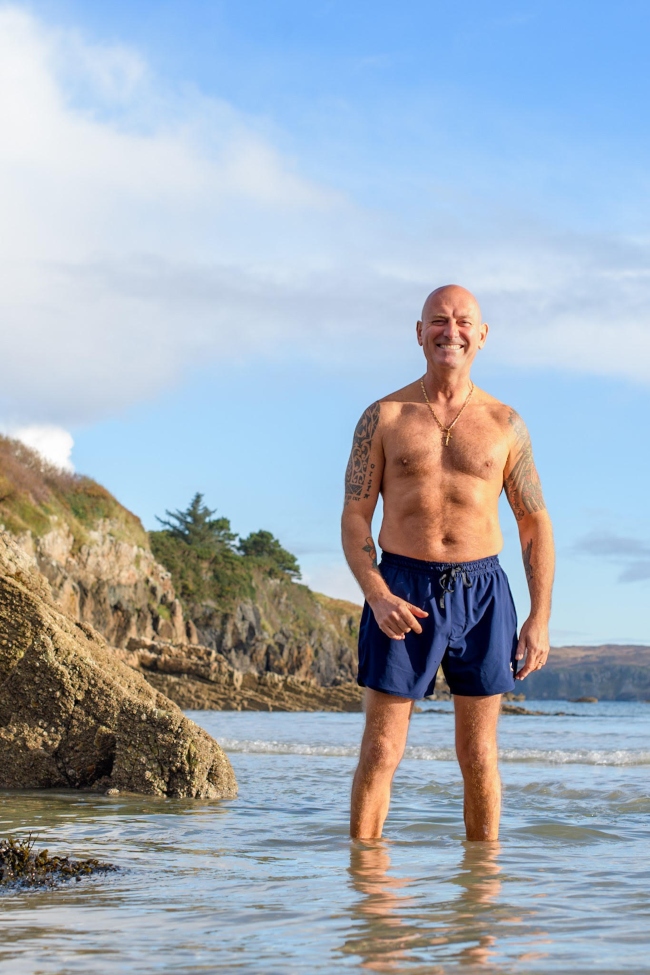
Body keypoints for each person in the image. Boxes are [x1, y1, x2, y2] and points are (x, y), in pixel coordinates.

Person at [341, 284, 554, 842]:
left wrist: (539, 617)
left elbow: (533, 523)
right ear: (419, 332)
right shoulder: (384, 417)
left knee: (479, 754)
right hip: (403, 585)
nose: (450, 331)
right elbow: (355, 517)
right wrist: (377, 593)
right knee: (382, 748)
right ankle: (367, 896)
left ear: (482, 337)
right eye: (438, 320)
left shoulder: (505, 423)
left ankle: (479, 899)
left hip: (484, 593)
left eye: (463, 322)